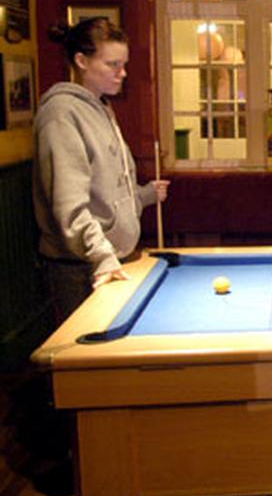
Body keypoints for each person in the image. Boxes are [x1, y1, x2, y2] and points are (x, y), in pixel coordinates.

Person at [33, 17, 170, 326]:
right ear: (81, 61)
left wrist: (144, 195)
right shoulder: (61, 113)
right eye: (112, 64)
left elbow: (108, 188)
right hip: (81, 268)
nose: (122, 73)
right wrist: (103, 258)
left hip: (109, 257)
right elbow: (69, 207)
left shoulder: (101, 106)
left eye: (123, 64)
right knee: (90, 366)